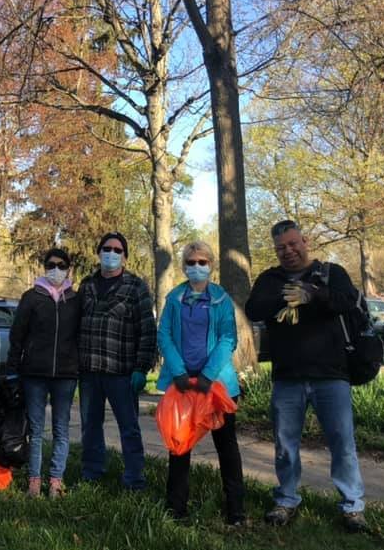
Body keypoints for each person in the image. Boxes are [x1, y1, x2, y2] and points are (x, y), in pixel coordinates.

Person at [244, 220, 367, 532]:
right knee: (285, 444)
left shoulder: (330, 273)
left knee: (342, 442)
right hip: (288, 377)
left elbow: (347, 301)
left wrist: (312, 294)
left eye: (293, 244)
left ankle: (352, 506)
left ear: (305, 241)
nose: (288, 251)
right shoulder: (270, 279)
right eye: (281, 248)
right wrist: (284, 298)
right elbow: (253, 308)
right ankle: (286, 499)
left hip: (331, 375)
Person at [157, 241, 244, 525]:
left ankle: (236, 511)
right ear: (184, 266)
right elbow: (165, 336)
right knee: (179, 446)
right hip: (181, 387)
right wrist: (179, 372)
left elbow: (228, 338)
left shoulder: (221, 298)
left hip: (216, 386)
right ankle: (176, 509)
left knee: (227, 448)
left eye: (202, 262)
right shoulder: (173, 299)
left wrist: (207, 376)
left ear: (212, 265)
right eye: (191, 262)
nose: (197, 267)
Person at [78, 231, 156, 491]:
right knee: (90, 426)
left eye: (117, 250)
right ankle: (92, 472)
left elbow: (147, 329)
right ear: (99, 252)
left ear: (125, 256)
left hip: (122, 372)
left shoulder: (135, 286)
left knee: (129, 428)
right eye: (107, 248)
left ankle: (134, 479)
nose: (111, 253)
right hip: (89, 370)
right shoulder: (86, 285)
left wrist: (141, 367)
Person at [6, 248, 81, 497]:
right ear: (44, 266)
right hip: (34, 374)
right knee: (36, 430)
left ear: (68, 268)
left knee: (61, 429)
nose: (56, 269)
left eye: (61, 265)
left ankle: (56, 481)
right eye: (51, 264)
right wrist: (13, 370)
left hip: (66, 374)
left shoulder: (75, 300)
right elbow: (16, 336)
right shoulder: (31, 297)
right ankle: (34, 481)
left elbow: (81, 336)